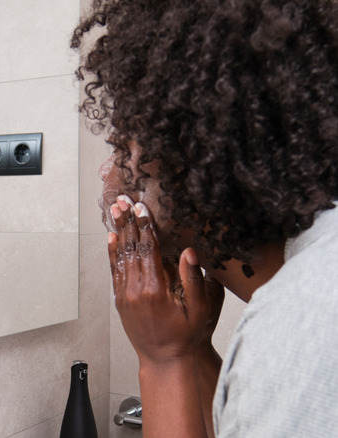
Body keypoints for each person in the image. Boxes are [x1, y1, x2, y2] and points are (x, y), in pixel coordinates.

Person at [72, 0, 338, 436]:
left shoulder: (297, 327)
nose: (115, 166)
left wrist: (162, 360)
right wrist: (188, 346)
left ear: (189, 150)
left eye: (129, 140)